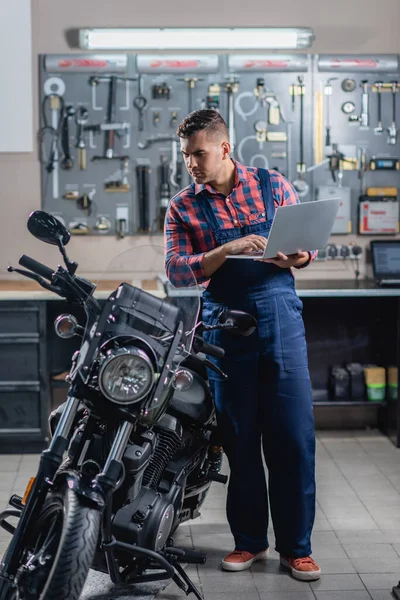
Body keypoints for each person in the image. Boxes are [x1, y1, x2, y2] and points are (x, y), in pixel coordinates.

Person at [164, 109, 321, 582]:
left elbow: (306, 246)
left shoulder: (273, 185)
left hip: (279, 313)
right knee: (240, 439)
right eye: (186, 155)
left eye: (199, 153)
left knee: (292, 438)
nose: (191, 163)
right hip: (223, 325)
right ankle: (249, 541)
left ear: (225, 148)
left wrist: (302, 255)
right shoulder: (183, 206)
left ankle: (298, 548)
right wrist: (225, 251)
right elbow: (175, 270)